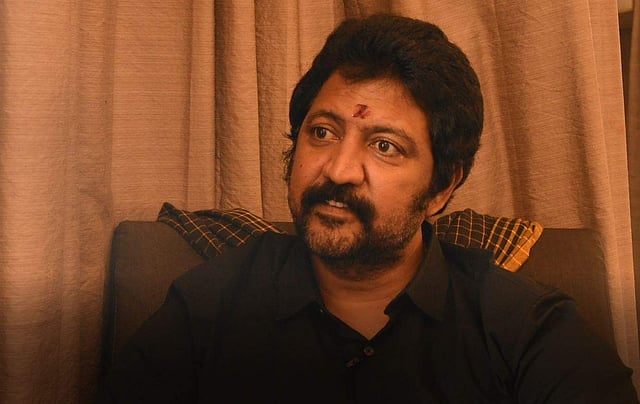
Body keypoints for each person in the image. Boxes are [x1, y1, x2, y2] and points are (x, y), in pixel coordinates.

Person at [105, 14, 638, 403]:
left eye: (385, 146)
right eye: (322, 132)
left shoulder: (527, 331)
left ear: (442, 188)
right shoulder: (208, 307)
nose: (339, 170)